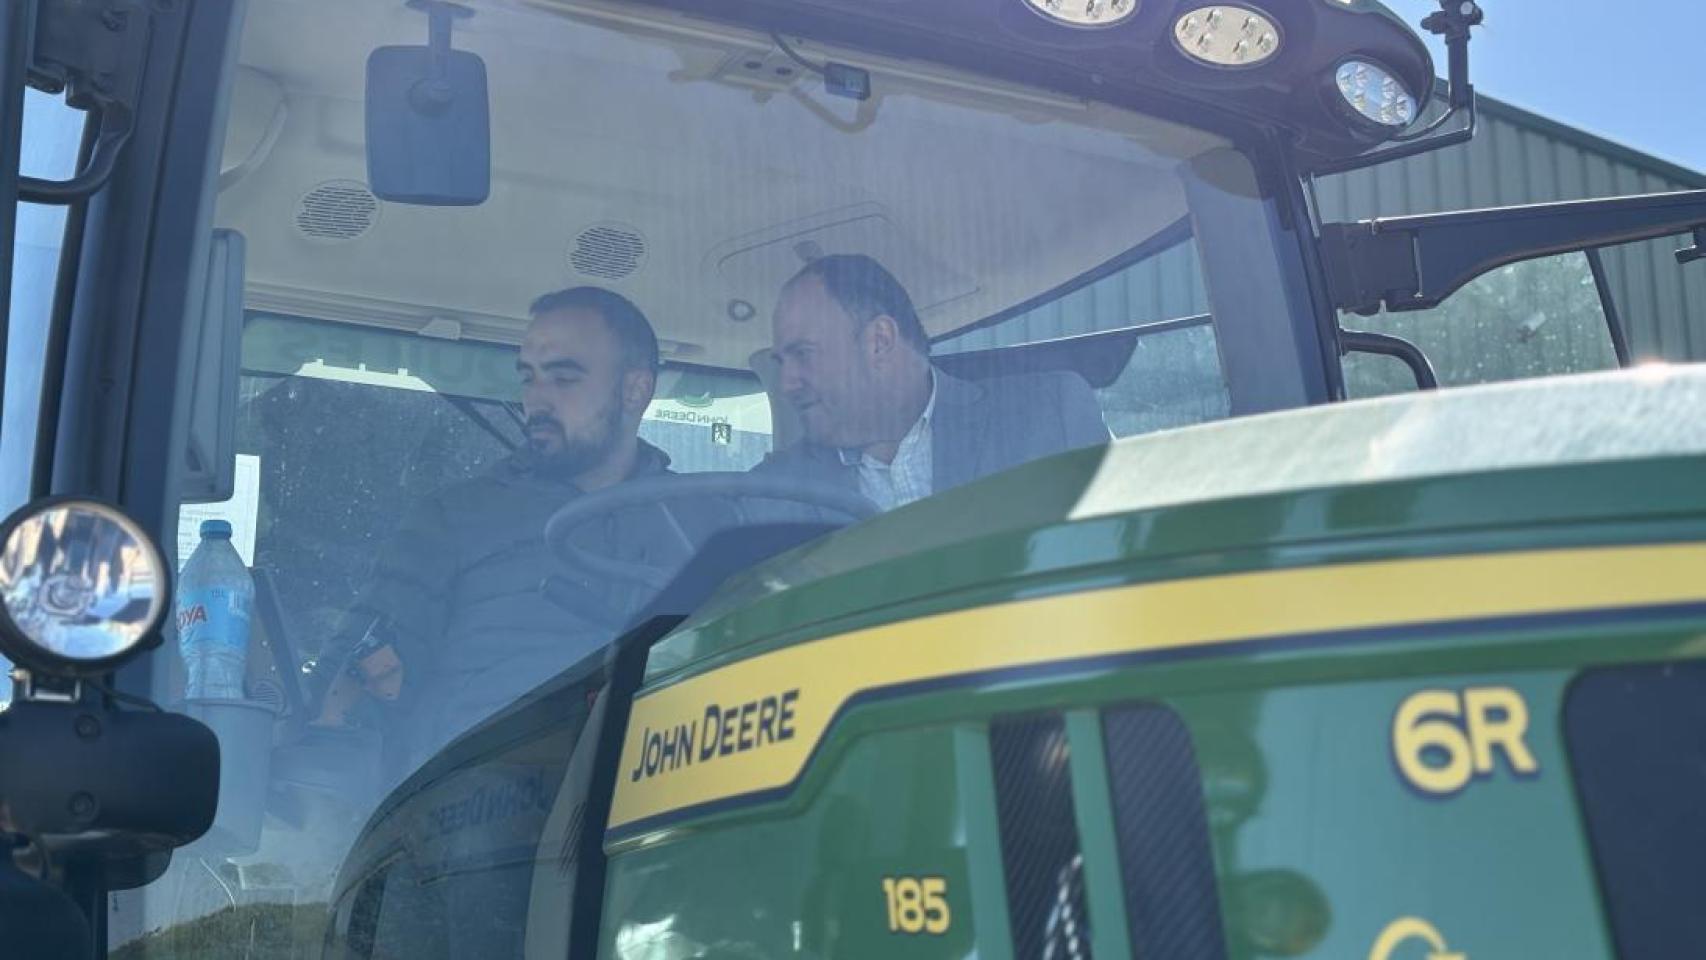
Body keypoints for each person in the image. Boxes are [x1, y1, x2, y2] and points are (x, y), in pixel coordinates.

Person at [319, 285, 706, 768]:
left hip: (666, 808)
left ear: (635, 389)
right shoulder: (456, 521)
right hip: (482, 816)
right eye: (529, 378)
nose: (537, 400)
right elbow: (346, 688)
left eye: (563, 379)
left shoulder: (706, 524)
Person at [760, 254, 1110, 510]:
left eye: (803, 353)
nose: (787, 382)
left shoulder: (1050, 413)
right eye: (781, 362)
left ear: (878, 341)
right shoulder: (769, 489)